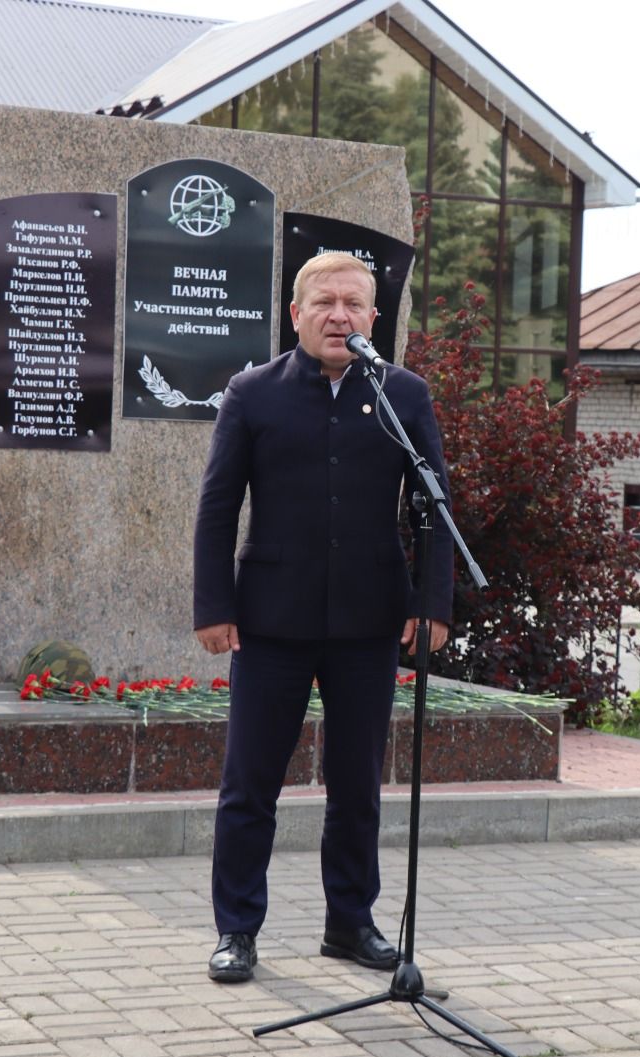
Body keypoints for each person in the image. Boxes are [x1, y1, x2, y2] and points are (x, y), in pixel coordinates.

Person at [192, 250, 454, 983]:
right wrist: (213, 606)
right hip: (271, 621)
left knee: (357, 785)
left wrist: (433, 603)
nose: (340, 315)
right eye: (325, 302)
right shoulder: (252, 393)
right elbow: (218, 507)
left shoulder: (404, 394)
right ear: (296, 313)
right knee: (250, 787)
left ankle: (350, 924)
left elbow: (433, 504)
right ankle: (236, 931)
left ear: (375, 317)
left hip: (371, 622)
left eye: (354, 304)